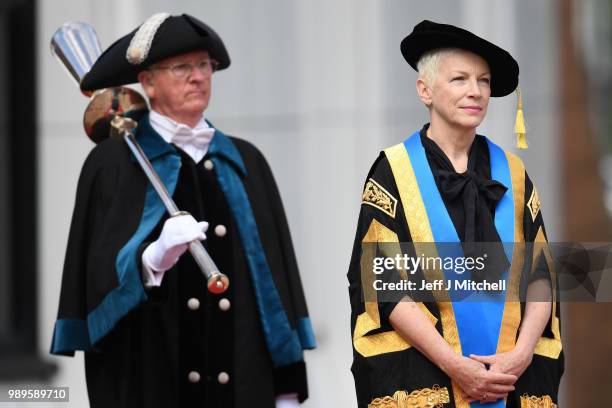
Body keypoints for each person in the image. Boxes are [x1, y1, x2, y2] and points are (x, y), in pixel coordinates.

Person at [50, 13, 315, 408]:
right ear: (148, 82)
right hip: (152, 382)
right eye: (181, 67)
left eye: (204, 65)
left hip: (243, 388)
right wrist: (151, 260)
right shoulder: (113, 163)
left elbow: (275, 288)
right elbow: (95, 281)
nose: (198, 77)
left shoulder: (244, 161)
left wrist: (287, 389)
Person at [348, 20, 563, 407]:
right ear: (425, 90)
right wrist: (455, 366)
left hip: (509, 378)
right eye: (460, 79)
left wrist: (523, 354)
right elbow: (385, 285)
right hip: (430, 379)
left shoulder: (513, 173)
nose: (475, 91)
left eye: (483, 80)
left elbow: (541, 273)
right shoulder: (394, 171)